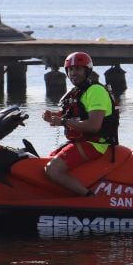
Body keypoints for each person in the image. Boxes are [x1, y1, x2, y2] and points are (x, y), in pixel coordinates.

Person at [40, 51, 119, 196]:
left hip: (96, 144)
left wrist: (63, 121)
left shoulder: (95, 91)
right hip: (81, 141)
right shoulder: (75, 92)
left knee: (52, 169)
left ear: (87, 70)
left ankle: (88, 198)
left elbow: (93, 126)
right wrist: (52, 117)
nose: (73, 73)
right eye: (70, 69)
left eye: (78, 69)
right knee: (46, 159)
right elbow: (69, 115)